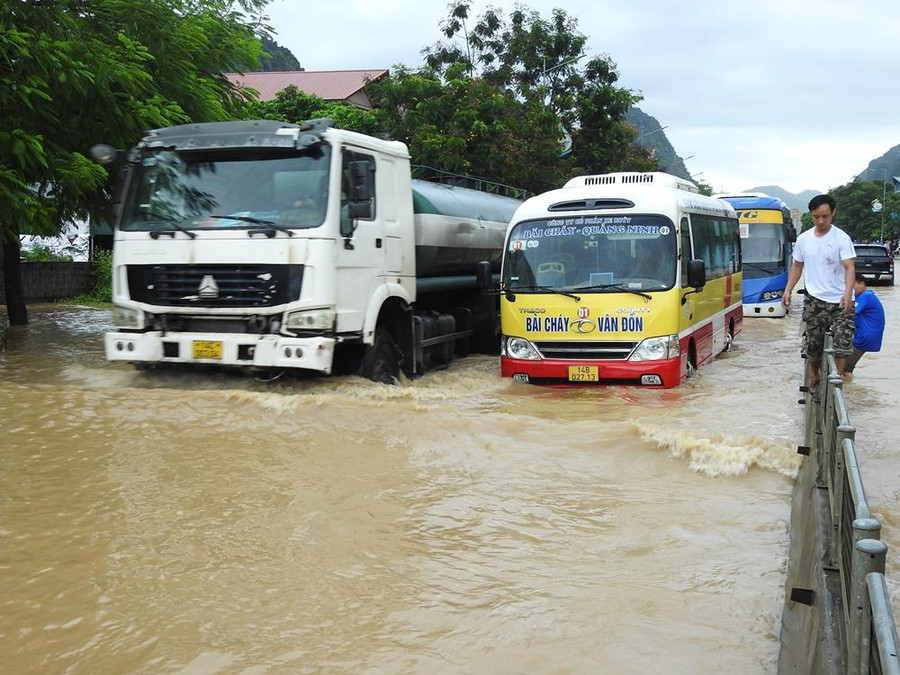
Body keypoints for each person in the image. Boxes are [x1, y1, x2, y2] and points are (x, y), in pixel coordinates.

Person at [782, 194, 856, 387]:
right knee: (813, 343)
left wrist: (848, 294)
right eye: (816, 217)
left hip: (840, 299)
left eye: (825, 216)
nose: (821, 221)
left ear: (833, 213)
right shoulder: (804, 239)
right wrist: (788, 290)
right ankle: (814, 375)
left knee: (843, 342)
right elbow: (797, 266)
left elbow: (849, 267)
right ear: (812, 215)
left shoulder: (842, 238)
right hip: (815, 299)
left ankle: (835, 380)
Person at [844, 274, 885, 374]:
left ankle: (849, 388)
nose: (850, 289)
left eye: (852, 285)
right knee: (845, 366)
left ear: (862, 284)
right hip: (862, 335)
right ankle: (851, 387)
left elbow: (852, 312)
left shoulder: (866, 296)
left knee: (845, 369)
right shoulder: (862, 296)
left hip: (865, 336)